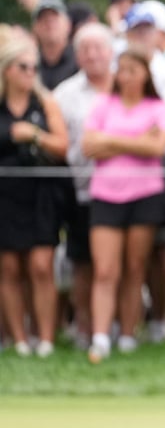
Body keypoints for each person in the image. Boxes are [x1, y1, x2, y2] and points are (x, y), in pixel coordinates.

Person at [81, 48, 165, 363]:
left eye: (132, 70)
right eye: (121, 70)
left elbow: (158, 147)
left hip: (145, 195)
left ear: (145, 75)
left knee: (136, 268)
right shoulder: (103, 105)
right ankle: (101, 337)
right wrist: (138, 140)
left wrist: (111, 140)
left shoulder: (158, 107)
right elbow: (89, 146)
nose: (125, 76)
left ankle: (127, 335)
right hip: (106, 195)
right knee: (106, 269)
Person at [0, 36, 70, 357]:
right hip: (5, 197)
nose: (30, 72)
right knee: (9, 268)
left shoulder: (45, 104)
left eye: (33, 67)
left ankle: (45, 339)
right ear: (7, 70)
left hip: (39, 195)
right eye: (22, 67)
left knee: (41, 266)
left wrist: (35, 135)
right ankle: (20, 340)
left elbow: (62, 146)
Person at [52, 23, 117, 349]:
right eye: (85, 49)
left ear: (111, 51)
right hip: (81, 189)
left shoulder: (128, 85)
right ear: (76, 55)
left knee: (119, 267)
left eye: (99, 48)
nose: (92, 55)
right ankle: (84, 328)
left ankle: (118, 329)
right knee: (83, 263)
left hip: (126, 191)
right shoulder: (64, 94)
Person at [32, 0, 79, 90]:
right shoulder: (29, 65)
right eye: (43, 19)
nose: (49, 23)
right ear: (35, 28)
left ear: (68, 25)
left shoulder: (81, 61)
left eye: (54, 19)